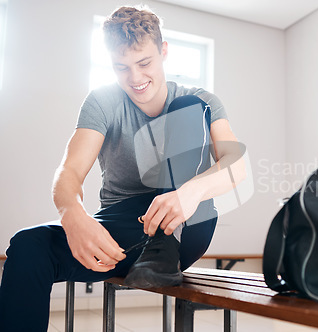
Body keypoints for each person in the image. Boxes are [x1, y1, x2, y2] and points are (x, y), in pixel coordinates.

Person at [0, 5, 245, 331]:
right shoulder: (103, 102)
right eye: (121, 67)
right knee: (27, 245)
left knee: (187, 109)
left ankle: (164, 247)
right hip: (125, 226)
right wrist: (72, 215)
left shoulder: (200, 99)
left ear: (164, 51)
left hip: (185, 219)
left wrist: (191, 192)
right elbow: (69, 171)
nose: (135, 78)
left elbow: (236, 164)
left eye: (144, 63)